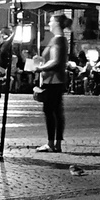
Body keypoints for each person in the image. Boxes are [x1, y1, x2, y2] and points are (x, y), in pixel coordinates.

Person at [35, 14, 69, 152]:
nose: (49, 23)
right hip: (56, 80)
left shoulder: (57, 40)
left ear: (56, 23)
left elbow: (56, 61)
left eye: (51, 20)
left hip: (52, 80)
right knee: (57, 111)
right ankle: (56, 143)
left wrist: (40, 68)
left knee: (50, 111)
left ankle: (51, 143)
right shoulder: (60, 40)